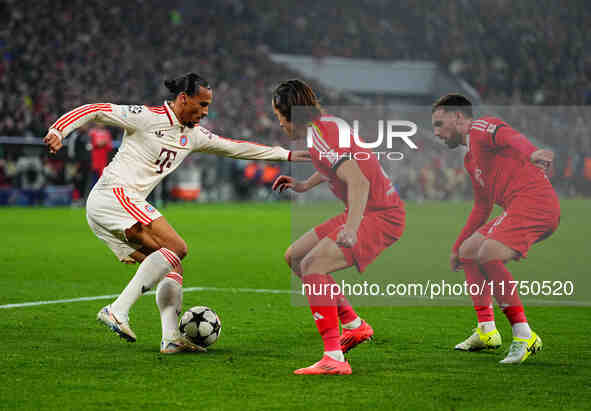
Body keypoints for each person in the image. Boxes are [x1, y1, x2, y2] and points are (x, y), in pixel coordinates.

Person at [43, 73, 309, 354]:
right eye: (202, 104)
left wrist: (288, 156)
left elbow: (237, 148)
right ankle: (117, 310)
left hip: (118, 205)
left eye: (209, 106)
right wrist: (59, 130)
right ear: (184, 98)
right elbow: (95, 110)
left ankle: (170, 338)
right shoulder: (146, 117)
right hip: (114, 195)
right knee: (177, 247)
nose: (205, 112)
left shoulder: (193, 136)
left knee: (173, 266)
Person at [271, 80, 405, 375]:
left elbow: (359, 181)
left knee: (313, 265)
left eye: (279, 116)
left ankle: (334, 357)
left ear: (290, 113)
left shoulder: (321, 136)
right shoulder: (326, 126)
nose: (279, 123)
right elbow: (337, 165)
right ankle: (355, 326)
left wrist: (353, 228)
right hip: (366, 209)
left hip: (380, 214)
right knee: (295, 257)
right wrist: (305, 185)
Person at [431, 94, 560, 364]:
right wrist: (456, 247)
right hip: (517, 206)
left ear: (458, 118)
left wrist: (532, 152)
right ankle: (487, 331)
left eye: (439, 124)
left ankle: (524, 335)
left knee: (488, 253)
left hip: (536, 201)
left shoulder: (479, 128)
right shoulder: (470, 161)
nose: (436, 133)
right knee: (469, 251)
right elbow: (481, 207)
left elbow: (508, 135)